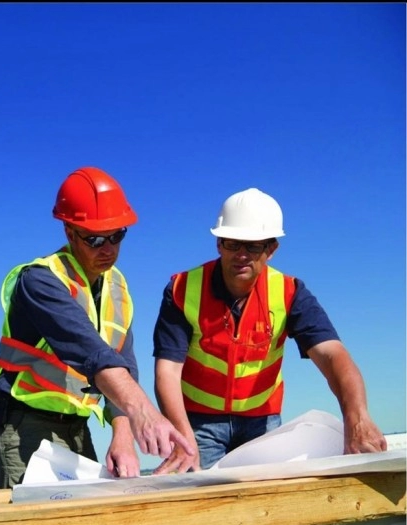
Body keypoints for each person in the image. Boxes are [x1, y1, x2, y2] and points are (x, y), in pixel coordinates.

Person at [152, 187, 387, 473]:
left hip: (262, 422)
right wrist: (182, 435)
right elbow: (167, 371)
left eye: (253, 246)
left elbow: (332, 355)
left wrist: (357, 418)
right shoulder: (182, 289)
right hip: (197, 423)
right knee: (196, 493)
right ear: (219, 244)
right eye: (232, 243)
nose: (241, 255)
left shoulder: (290, 293)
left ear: (271, 249)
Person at [0, 166, 194, 489]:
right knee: (37, 519)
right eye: (95, 239)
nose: (108, 249)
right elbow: (92, 353)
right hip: (23, 422)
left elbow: (123, 363)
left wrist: (123, 435)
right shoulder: (40, 281)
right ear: (70, 233)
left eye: (116, 236)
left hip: (76, 426)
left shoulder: (117, 287)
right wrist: (143, 412)